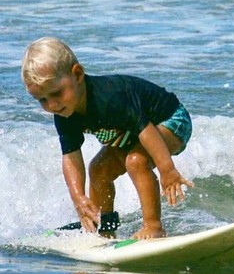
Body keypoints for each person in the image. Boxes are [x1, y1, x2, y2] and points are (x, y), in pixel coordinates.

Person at [22, 37, 194, 239]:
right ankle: (104, 228)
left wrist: (167, 169)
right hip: (132, 134)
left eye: (57, 93)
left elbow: (146, 130)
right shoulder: (64, 113)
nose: (52, 105)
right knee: (99, 169)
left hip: (171, 120)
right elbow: (71, 156)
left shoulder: (110, 97)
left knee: (137, 161)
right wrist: (79, 199)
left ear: (77, 74)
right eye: (42, 99)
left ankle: (154, 226)